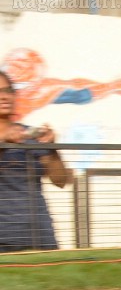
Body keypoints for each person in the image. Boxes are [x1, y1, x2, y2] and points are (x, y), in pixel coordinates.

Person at [0, 69, 72, 252]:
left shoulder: (28, 134)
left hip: (40, 235)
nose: (4, 96)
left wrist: (51, 148)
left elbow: (61, 180)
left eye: (8, 91)